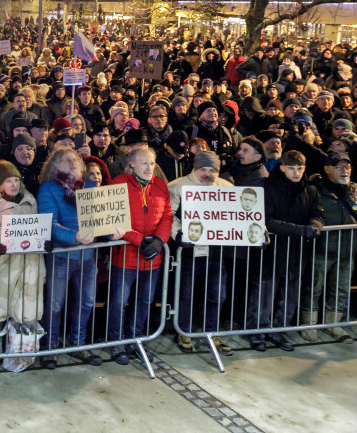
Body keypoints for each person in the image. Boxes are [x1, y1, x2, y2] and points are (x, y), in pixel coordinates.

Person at [250, 151, 322, 351]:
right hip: (272, 249)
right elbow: (268, 220)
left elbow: (317, 213)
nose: (296, 172)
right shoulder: (269, 188)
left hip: (298, 251)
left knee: (290, 294)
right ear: (282, 167)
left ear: (304, 169)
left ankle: (278, 331)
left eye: (299, 168)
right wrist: (302, 230)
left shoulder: (311, 190)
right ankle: (257, 332)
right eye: (291, 168)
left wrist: (315, 225)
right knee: (265, 293)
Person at [107, 146, 172, 365]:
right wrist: (138, 239)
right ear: (132, 164)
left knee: (144, 301)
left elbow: (167, 216)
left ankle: (135, 339)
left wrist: (159, 240)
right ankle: (116, 342)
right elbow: (112, 218)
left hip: (152, 258)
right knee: (119, 302)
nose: (149, 168)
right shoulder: (118, 184)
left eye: (152, 163)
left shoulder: (160, 185)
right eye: (144, 163)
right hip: (125, 256)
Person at [36, 147, 99, 369]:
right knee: (55, 304)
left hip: (88, 257)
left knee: (87, 301)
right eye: (66, 160)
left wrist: (113, 231)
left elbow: (100, 220)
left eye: (75, 159)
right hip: (62, 256)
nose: (72, 163)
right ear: (55, 166)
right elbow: (50, 224)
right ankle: (50, 347)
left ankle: (78, 343)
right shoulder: (48, 189)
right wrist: (74, 236)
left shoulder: (90, 187)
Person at [167, 150, 235, 356]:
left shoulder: (226, 187)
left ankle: (211, 332)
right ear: (194, 169)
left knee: (218, 295)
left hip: (215, 251)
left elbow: (241, 215)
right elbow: (169, 214)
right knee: (185, 293)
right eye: (203, 169)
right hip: (188, 251)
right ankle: (184, 331)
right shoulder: (177, 186)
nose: (208, 174)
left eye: (212, 170)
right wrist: (177, 234)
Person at [0, 161, 46, 360]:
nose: (14, 184)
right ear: (0, 184)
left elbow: (36, 229)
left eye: (16, 180)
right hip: (2, 264)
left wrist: (43, 243)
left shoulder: (29, 200)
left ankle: (19, 354)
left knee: (24, 309)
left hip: (28, 263)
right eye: (9, 180)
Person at [303, 152, 357, 342]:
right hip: (323, 248)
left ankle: (333, 325)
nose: (345, 170)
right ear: (327, 169)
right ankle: (308, 324)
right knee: (314, 287)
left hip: (349, 249)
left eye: (347, 166)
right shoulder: (316, 189)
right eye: (339, 167)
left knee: (340, 288)